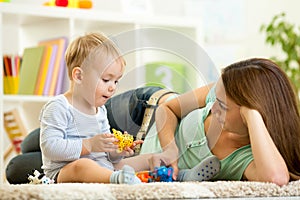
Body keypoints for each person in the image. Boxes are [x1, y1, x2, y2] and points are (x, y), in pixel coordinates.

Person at [140, 58, 300, 186]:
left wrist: (252, 114)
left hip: (140, 167)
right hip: (144, 112)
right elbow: (166, 108)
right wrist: (170, 150)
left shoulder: (244, 157)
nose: (213, 107)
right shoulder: (223, 91)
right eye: (216, 99)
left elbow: (276, 178)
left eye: (223, 105)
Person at [39, 32, 152, 184]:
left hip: (101, 166)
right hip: (67, 171)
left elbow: (107, 155)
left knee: (144, 159)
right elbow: (50, 148)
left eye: (116, 81)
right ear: (79, 76)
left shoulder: (100, 111)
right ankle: (116, 179)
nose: (112, 87)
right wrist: (89, 145)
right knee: (83, 165)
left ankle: (179, 173)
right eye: (106, 80)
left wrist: (117, 150)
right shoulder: (59, 107)